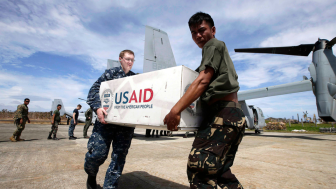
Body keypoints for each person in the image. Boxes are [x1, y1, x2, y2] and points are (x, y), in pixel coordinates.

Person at [164, 12, 246, 189]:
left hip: (222, 114)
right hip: (231, 115)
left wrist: (175, 110)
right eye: (193, 33)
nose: (198, 35)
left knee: (199, 170)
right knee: (221, 173)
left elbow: (202, 81)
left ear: (213, 30)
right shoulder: (213, 53)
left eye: (201, 30)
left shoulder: (213, 45)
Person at [85, 49, 136, 189]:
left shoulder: (136, 78)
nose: (130, 62)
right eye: (127, 59)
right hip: (105, 122)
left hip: (125, 126)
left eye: (132, 60)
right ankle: (91, 176)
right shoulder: (111, 74)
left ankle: (110, 187)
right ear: (120, 59)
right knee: (96, 154)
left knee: (119, 158)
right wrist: (97, 107)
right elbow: (93, 90)